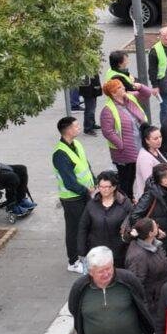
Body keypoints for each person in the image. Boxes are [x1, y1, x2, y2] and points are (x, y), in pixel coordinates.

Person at [53, 116, 95, 273]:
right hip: (72, 198)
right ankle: (73, 261)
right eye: (76, 126)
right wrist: (87, 191)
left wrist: (94, 180)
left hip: (83, 194)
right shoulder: (60, 154)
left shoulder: (76, 144)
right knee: (75, 229)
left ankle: (83, 256)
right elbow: (69, 182)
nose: (79, 128)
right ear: (68, 130)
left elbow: (85, 164)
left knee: (84, 227)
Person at [100, 77, 152, 196]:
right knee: (126, 180)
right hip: (124, 152)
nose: (123, 87)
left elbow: (147, 94)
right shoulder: (108, 110)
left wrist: (140, 86)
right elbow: (108, 131)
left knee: (136, 174)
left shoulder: (130, 97)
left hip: (139, 143)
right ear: (113, 93)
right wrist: (121, 145)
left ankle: (132, 199)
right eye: (119, 87)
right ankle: (125, 202)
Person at [79, 171, 133, 268]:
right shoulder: (92, 204)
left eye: (107, 187)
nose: (104, 190)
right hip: (96, 253)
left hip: (118, 254)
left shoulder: (125, 204)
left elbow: (133, 223)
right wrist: (82, 251)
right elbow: (83, 227)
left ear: (114, 187)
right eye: (101, 187)